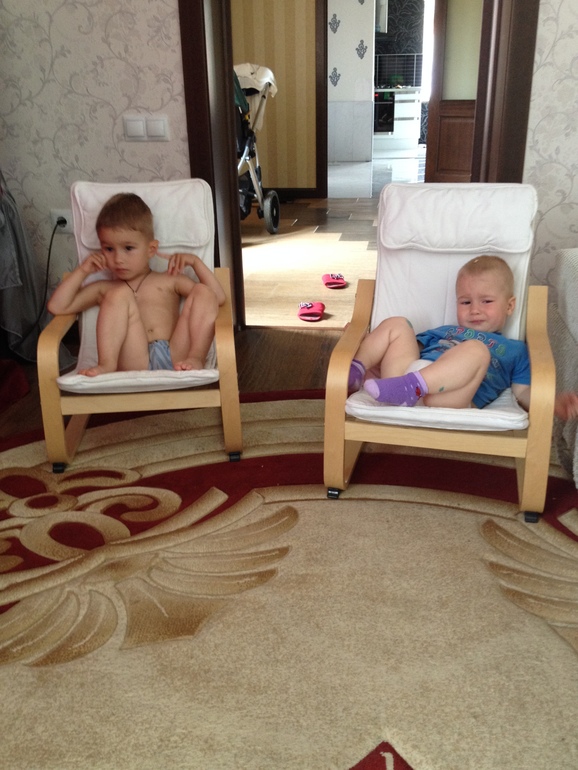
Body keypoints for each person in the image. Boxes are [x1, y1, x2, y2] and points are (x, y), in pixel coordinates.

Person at [348, 254, 576, 420]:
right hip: (405, 379)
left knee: (476, 349)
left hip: (449, 398)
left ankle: (411, 388)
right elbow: (402, 349)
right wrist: (375, 353)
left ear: (509, 306)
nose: (474, 310)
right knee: (398, 323)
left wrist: (552, 403)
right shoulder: (445, 330)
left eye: (486, 301)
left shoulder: (516, 350)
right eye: (466, 302)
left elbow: (523, 392)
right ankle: (354, 372)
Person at [47, 192, 226, 376]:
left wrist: (195, 262)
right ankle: (106, 364)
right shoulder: (105, 289)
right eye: (109, 249)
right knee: (119, 293)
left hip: (176, 355)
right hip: (133, 360)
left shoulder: (169, 279)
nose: (118, 259)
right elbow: (57, 306)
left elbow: (216, 298)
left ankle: (196, 357)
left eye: (128, 248)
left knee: (202, 291)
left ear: (151, 249)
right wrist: (82, 271)